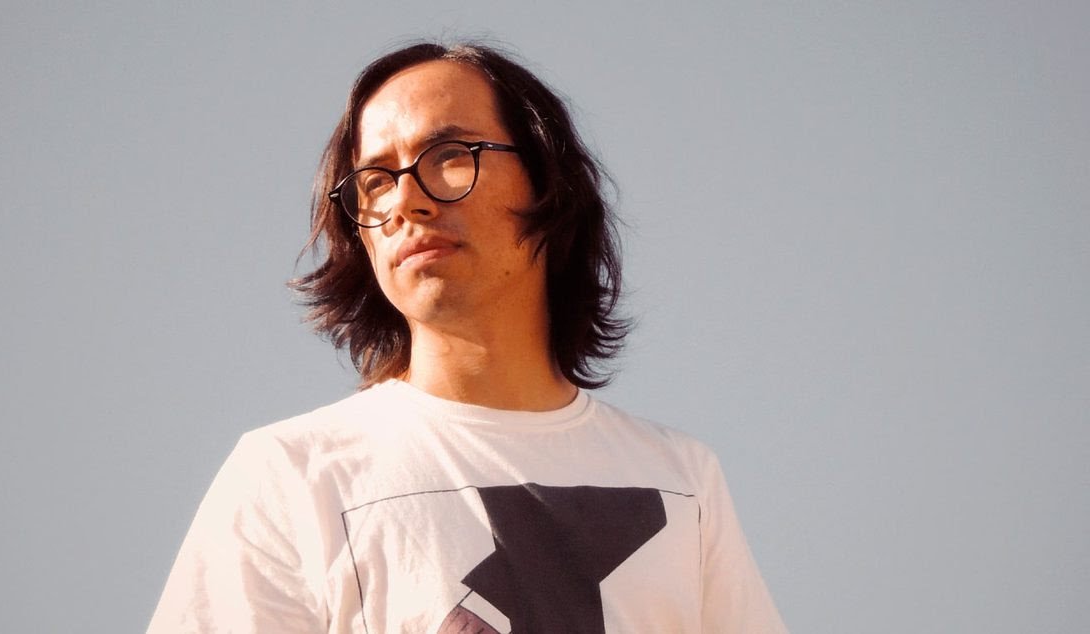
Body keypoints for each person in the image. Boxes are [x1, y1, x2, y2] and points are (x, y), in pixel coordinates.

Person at [148, 41, 787, 633]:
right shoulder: (293, 473)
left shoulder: (681, 480)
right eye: (375, 181)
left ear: (546, 181)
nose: (407, 201)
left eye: (450, 157)